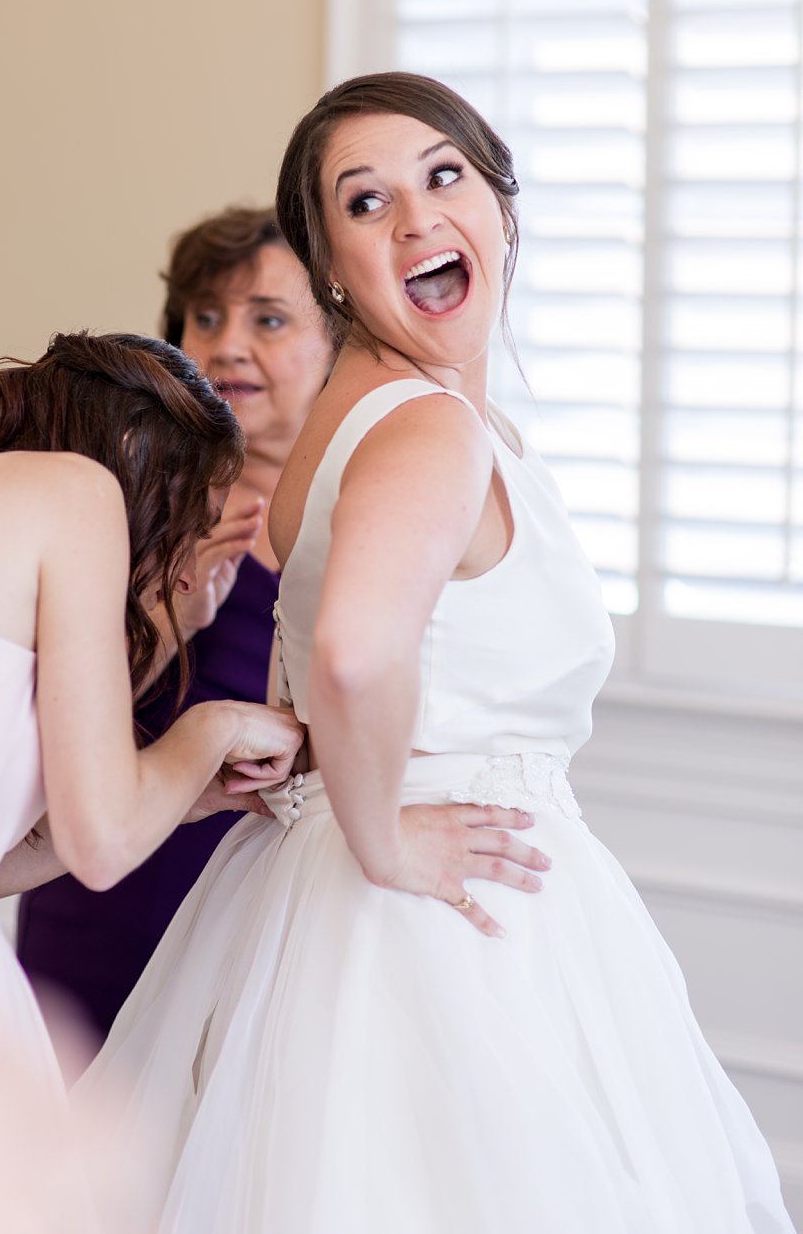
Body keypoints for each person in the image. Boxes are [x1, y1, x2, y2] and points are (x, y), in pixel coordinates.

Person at [78, 72, 792, 1233]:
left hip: (319, 898)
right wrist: (384, 840)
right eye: (365, 204)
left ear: (499, 207)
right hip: (438, 914)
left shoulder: (344, 426)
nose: (414, 219)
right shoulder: (424, 426)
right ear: (329, 266)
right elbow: (355, 655)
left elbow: (298, 670)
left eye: (442, 176)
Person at [0, 331, 310, 1219]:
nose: (191, 558)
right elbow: (104, 838)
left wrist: (179, 784)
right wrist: (214, 724)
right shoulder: (77, 494)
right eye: (196, 519)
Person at [15, 207, 336, 1058]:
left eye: (267, 319)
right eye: (204, 316)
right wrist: (167, 607)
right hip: (122, 879)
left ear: (336, 344)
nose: (227, 345)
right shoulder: (122, 508)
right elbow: (58, 710)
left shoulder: (365, 521)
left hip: (284, 905)